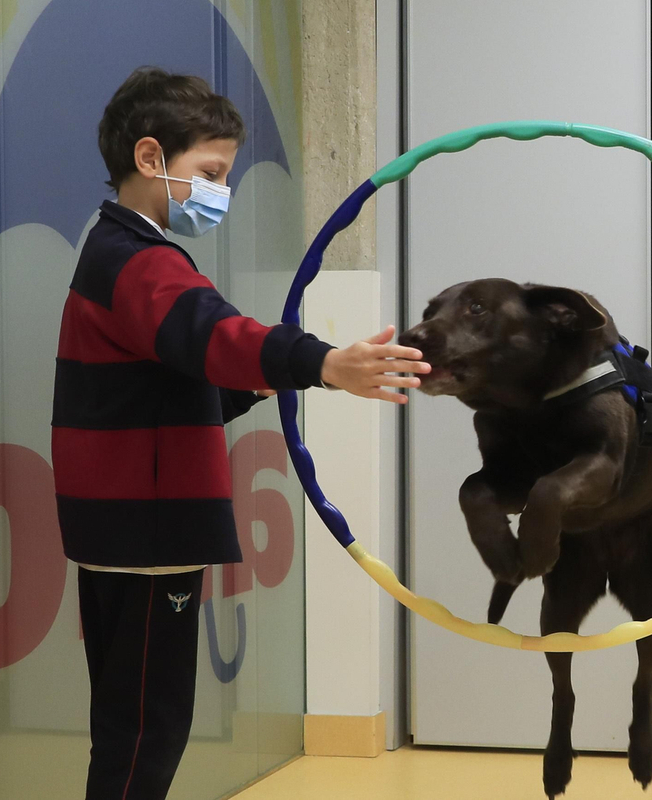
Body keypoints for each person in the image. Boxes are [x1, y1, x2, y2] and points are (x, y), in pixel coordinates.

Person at [52, 67, 427, 800]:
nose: (221, 190)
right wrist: (322, 362)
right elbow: (214, 332)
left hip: (122, 534)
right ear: (151, 158)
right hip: (149, 539)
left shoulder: (114, 254)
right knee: (146, 736)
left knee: (129, 729)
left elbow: (157, 395)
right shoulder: (140, 263)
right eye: (212, 172)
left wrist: (256, 381)